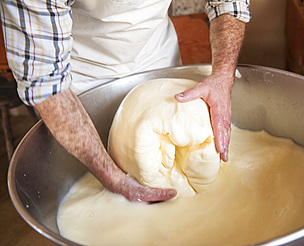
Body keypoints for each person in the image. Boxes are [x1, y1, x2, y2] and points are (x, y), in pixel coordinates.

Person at [0, 0, 251, 202]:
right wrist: (111, 178)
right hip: (81, 80)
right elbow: (45, 80)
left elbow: (229, 2)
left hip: (157, 57)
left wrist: (222, 76)